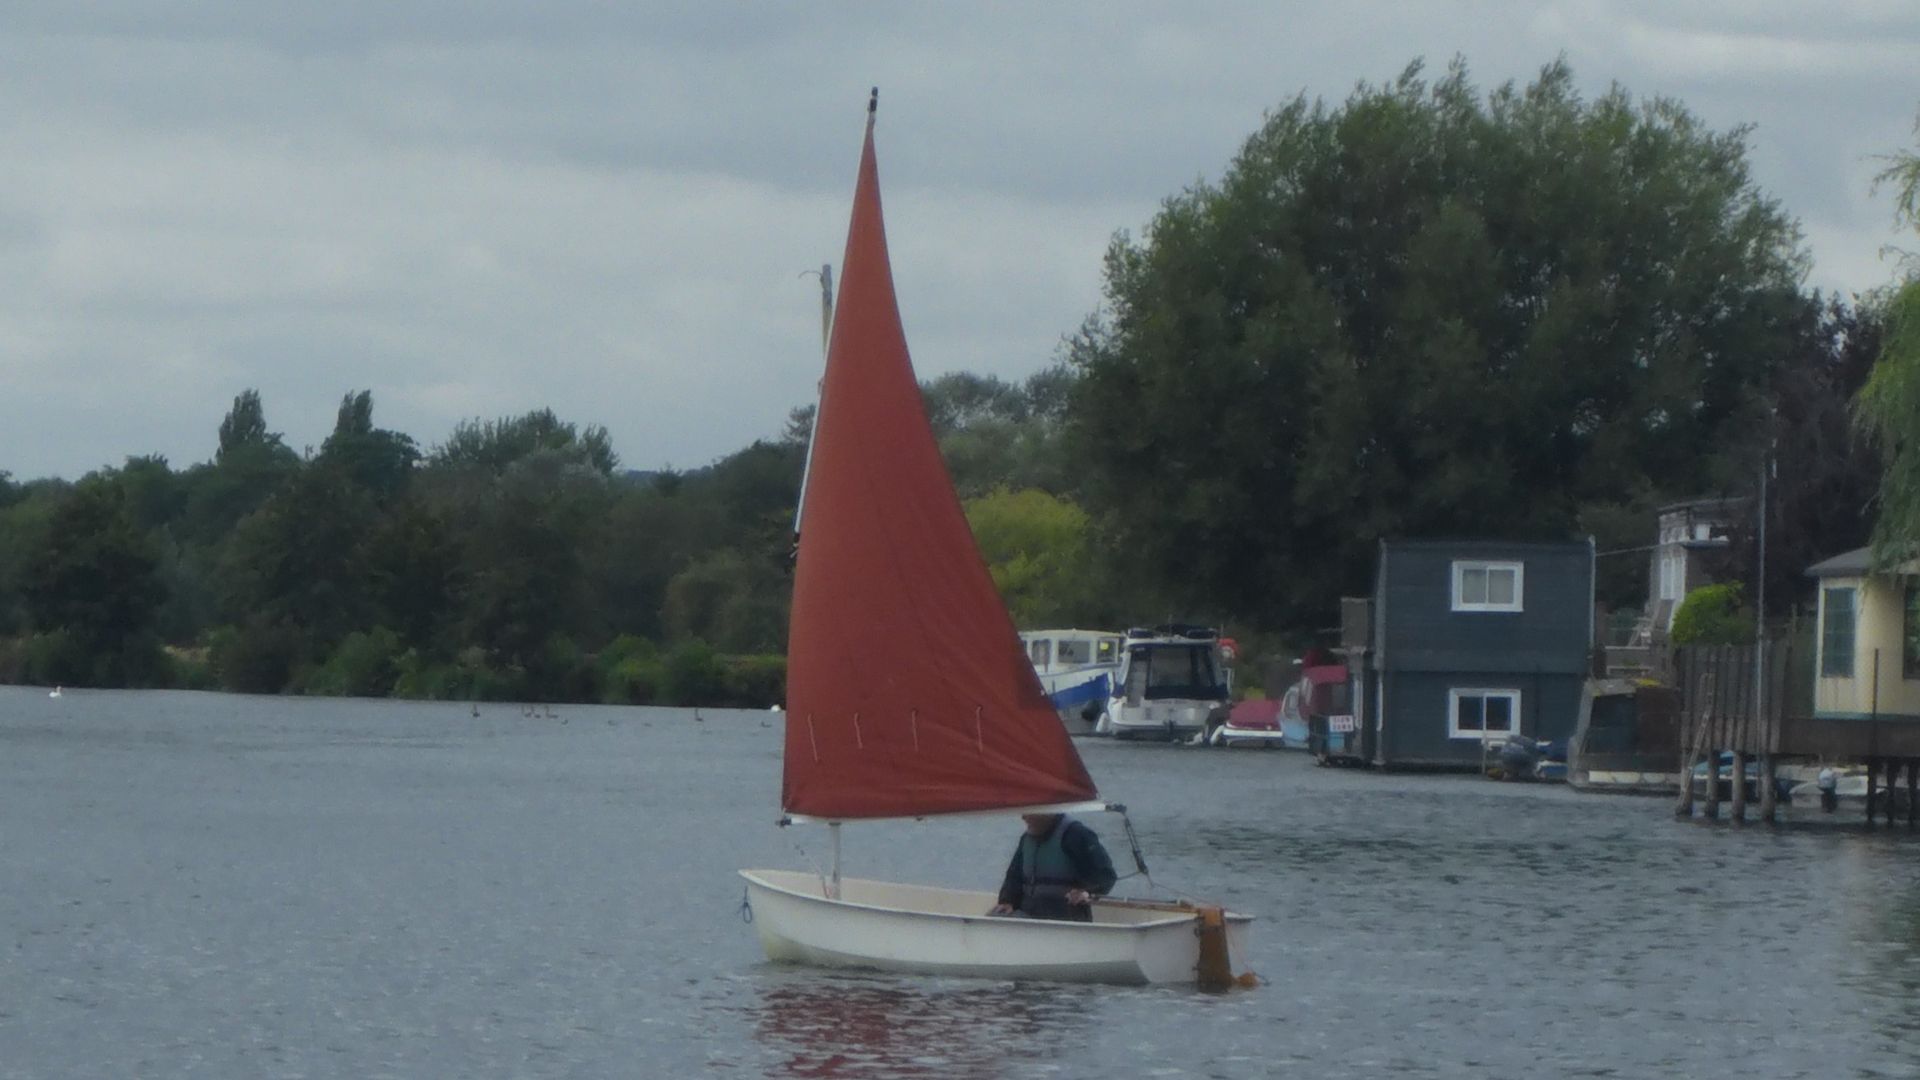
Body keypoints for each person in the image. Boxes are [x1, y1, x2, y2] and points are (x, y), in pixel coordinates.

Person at [989, 812, 1118, 922]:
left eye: (1029, 811)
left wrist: (1085, 892)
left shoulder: (1076, 835)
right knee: (993, 917)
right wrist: (1007, 901)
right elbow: (1013, 877)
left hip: (1065, 921)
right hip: (1029, 917)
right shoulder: (1026, 839)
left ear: (1047, 811)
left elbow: (1106, 876)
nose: (1023, 817)